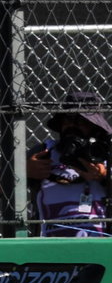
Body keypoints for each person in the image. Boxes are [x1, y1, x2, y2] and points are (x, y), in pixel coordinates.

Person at [25, 91, 111, 236]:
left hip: (102, 248)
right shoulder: (43, 152)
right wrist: (22, 171)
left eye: (81, 122)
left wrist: (104, 177)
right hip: (50, 249)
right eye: (67, 121)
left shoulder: (107, 154)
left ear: (95, 127)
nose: (72, 127)